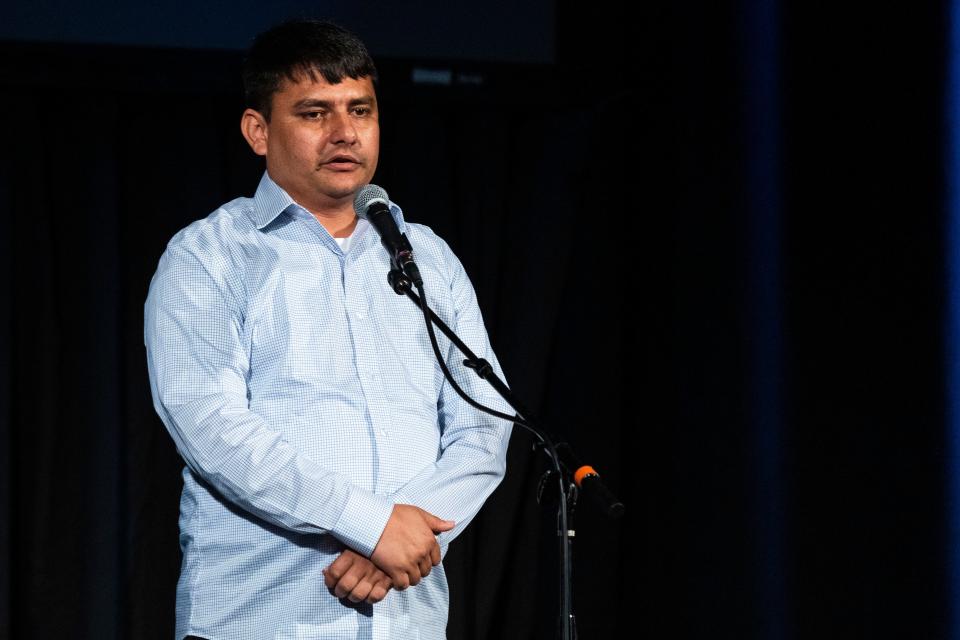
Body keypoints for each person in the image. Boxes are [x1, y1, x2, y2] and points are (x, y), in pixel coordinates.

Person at [143, 18, 514, 640]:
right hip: (260, 619)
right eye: (314, 114)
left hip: (407, 618)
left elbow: (485, 417)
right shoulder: (210, 255)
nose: (345, 134)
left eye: (360, 111)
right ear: (258, 131)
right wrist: (371, 524)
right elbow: (210, 425)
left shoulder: (424, 256)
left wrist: (410, 532)